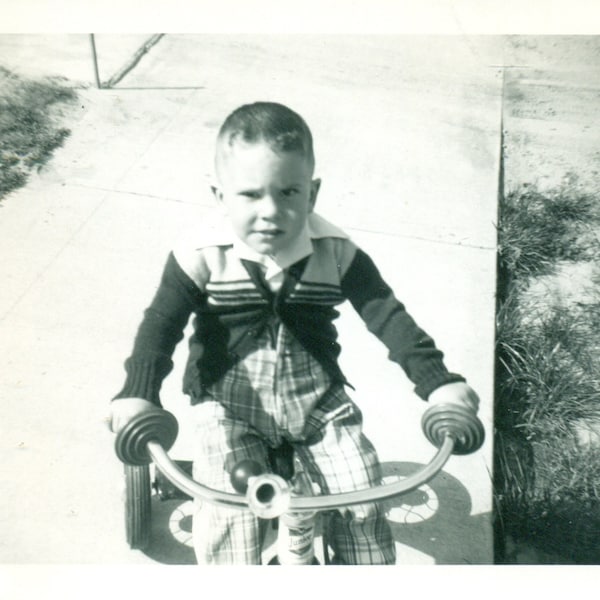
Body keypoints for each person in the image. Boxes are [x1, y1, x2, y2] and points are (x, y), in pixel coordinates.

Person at [110, 101, 480, 565]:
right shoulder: (199, 254)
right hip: (228, 406)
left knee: (361, 495)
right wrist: (138, 393)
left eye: (289, 192)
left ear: (313, 193)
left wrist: (439, 382)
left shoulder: (338, 252)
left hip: (317, 403)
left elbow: (388, 315)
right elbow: (159, 327)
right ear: (219, 195)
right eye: (250, 195)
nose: (271, 211)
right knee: (228, 511)